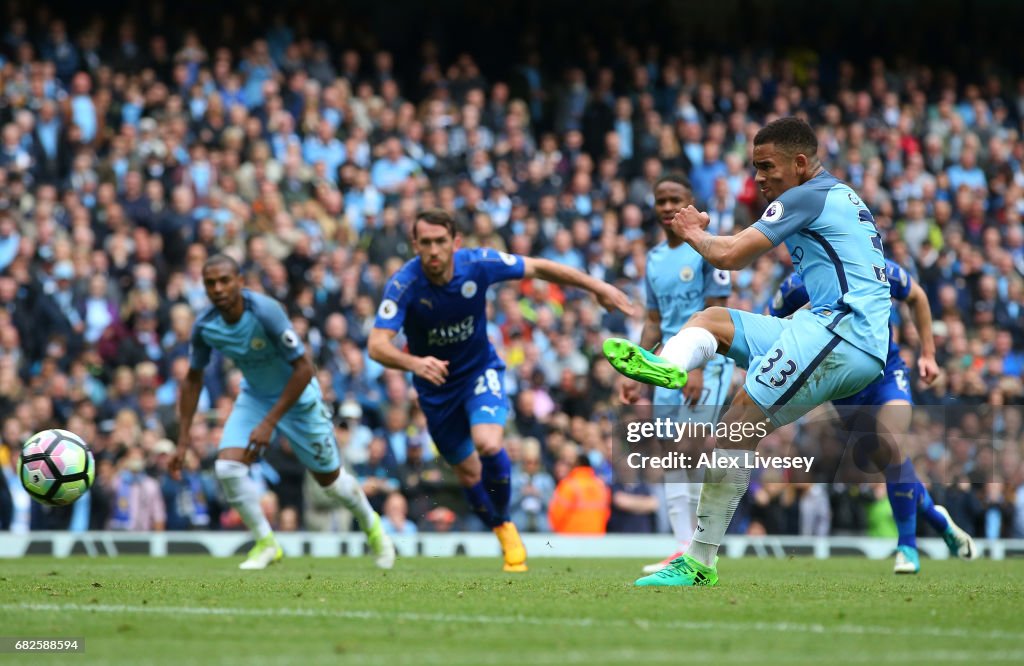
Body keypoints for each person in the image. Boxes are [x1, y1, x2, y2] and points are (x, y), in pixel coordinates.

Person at [604, 117, 892, 586]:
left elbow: (731, 255)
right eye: (754, 167)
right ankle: (669, 366)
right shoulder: (831, 195)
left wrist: (692, 231)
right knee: (710, 322)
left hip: (843, 332)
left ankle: (698, 562)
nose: (758, 179)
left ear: (800, 163)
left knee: (736, 428)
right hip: (827, 325)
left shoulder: (806, 195)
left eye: (766, 167)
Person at [368, 208, 632, 571]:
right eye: (425, 242)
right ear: (415, 244)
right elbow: (376, 345)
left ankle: (506, 524)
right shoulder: (404, 284)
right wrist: (414, 363)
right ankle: (499, 525)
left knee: (490, 443)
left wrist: (598, 286)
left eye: (440, 242)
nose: (433, 250)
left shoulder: (477, 263)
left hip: (479, 371)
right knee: (468, 474)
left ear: (454, 243)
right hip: (435, 389)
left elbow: (538, 267)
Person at [171, 254, 395, 570]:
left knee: (332, 483)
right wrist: (181, 442)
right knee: (228, 469)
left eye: (225, 280)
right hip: (255, 398)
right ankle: (266, 543)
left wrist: (269, 423)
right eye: (211, 283)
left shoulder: (265, 312)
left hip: (299, 398)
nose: (218, 288)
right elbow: (193, 380)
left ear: (240, 281)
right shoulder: (206, 325)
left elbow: (305, 368)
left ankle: (372, 525)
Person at [769, 259, 976, 573]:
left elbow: (917, 296)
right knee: (888, 464)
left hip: (887, 376)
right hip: (843, 390)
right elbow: (773, 331)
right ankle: (937, 518)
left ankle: (907, 546)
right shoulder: (795, 287)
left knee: (891, 446)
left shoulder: (876, 267)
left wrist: (929, 354)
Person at [618, 172, 734, 573]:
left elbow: (718, 309)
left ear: (690, 203)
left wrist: (697, 366)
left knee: (691, 446)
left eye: (675, 200)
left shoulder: (709, 247)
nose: (667, 207)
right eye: (661, 200)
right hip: (665, 364)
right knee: (670, 454)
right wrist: (636, 371)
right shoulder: (653, 259)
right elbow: (654, 321)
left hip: (708, 359)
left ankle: (704, 545)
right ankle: (682, 548)